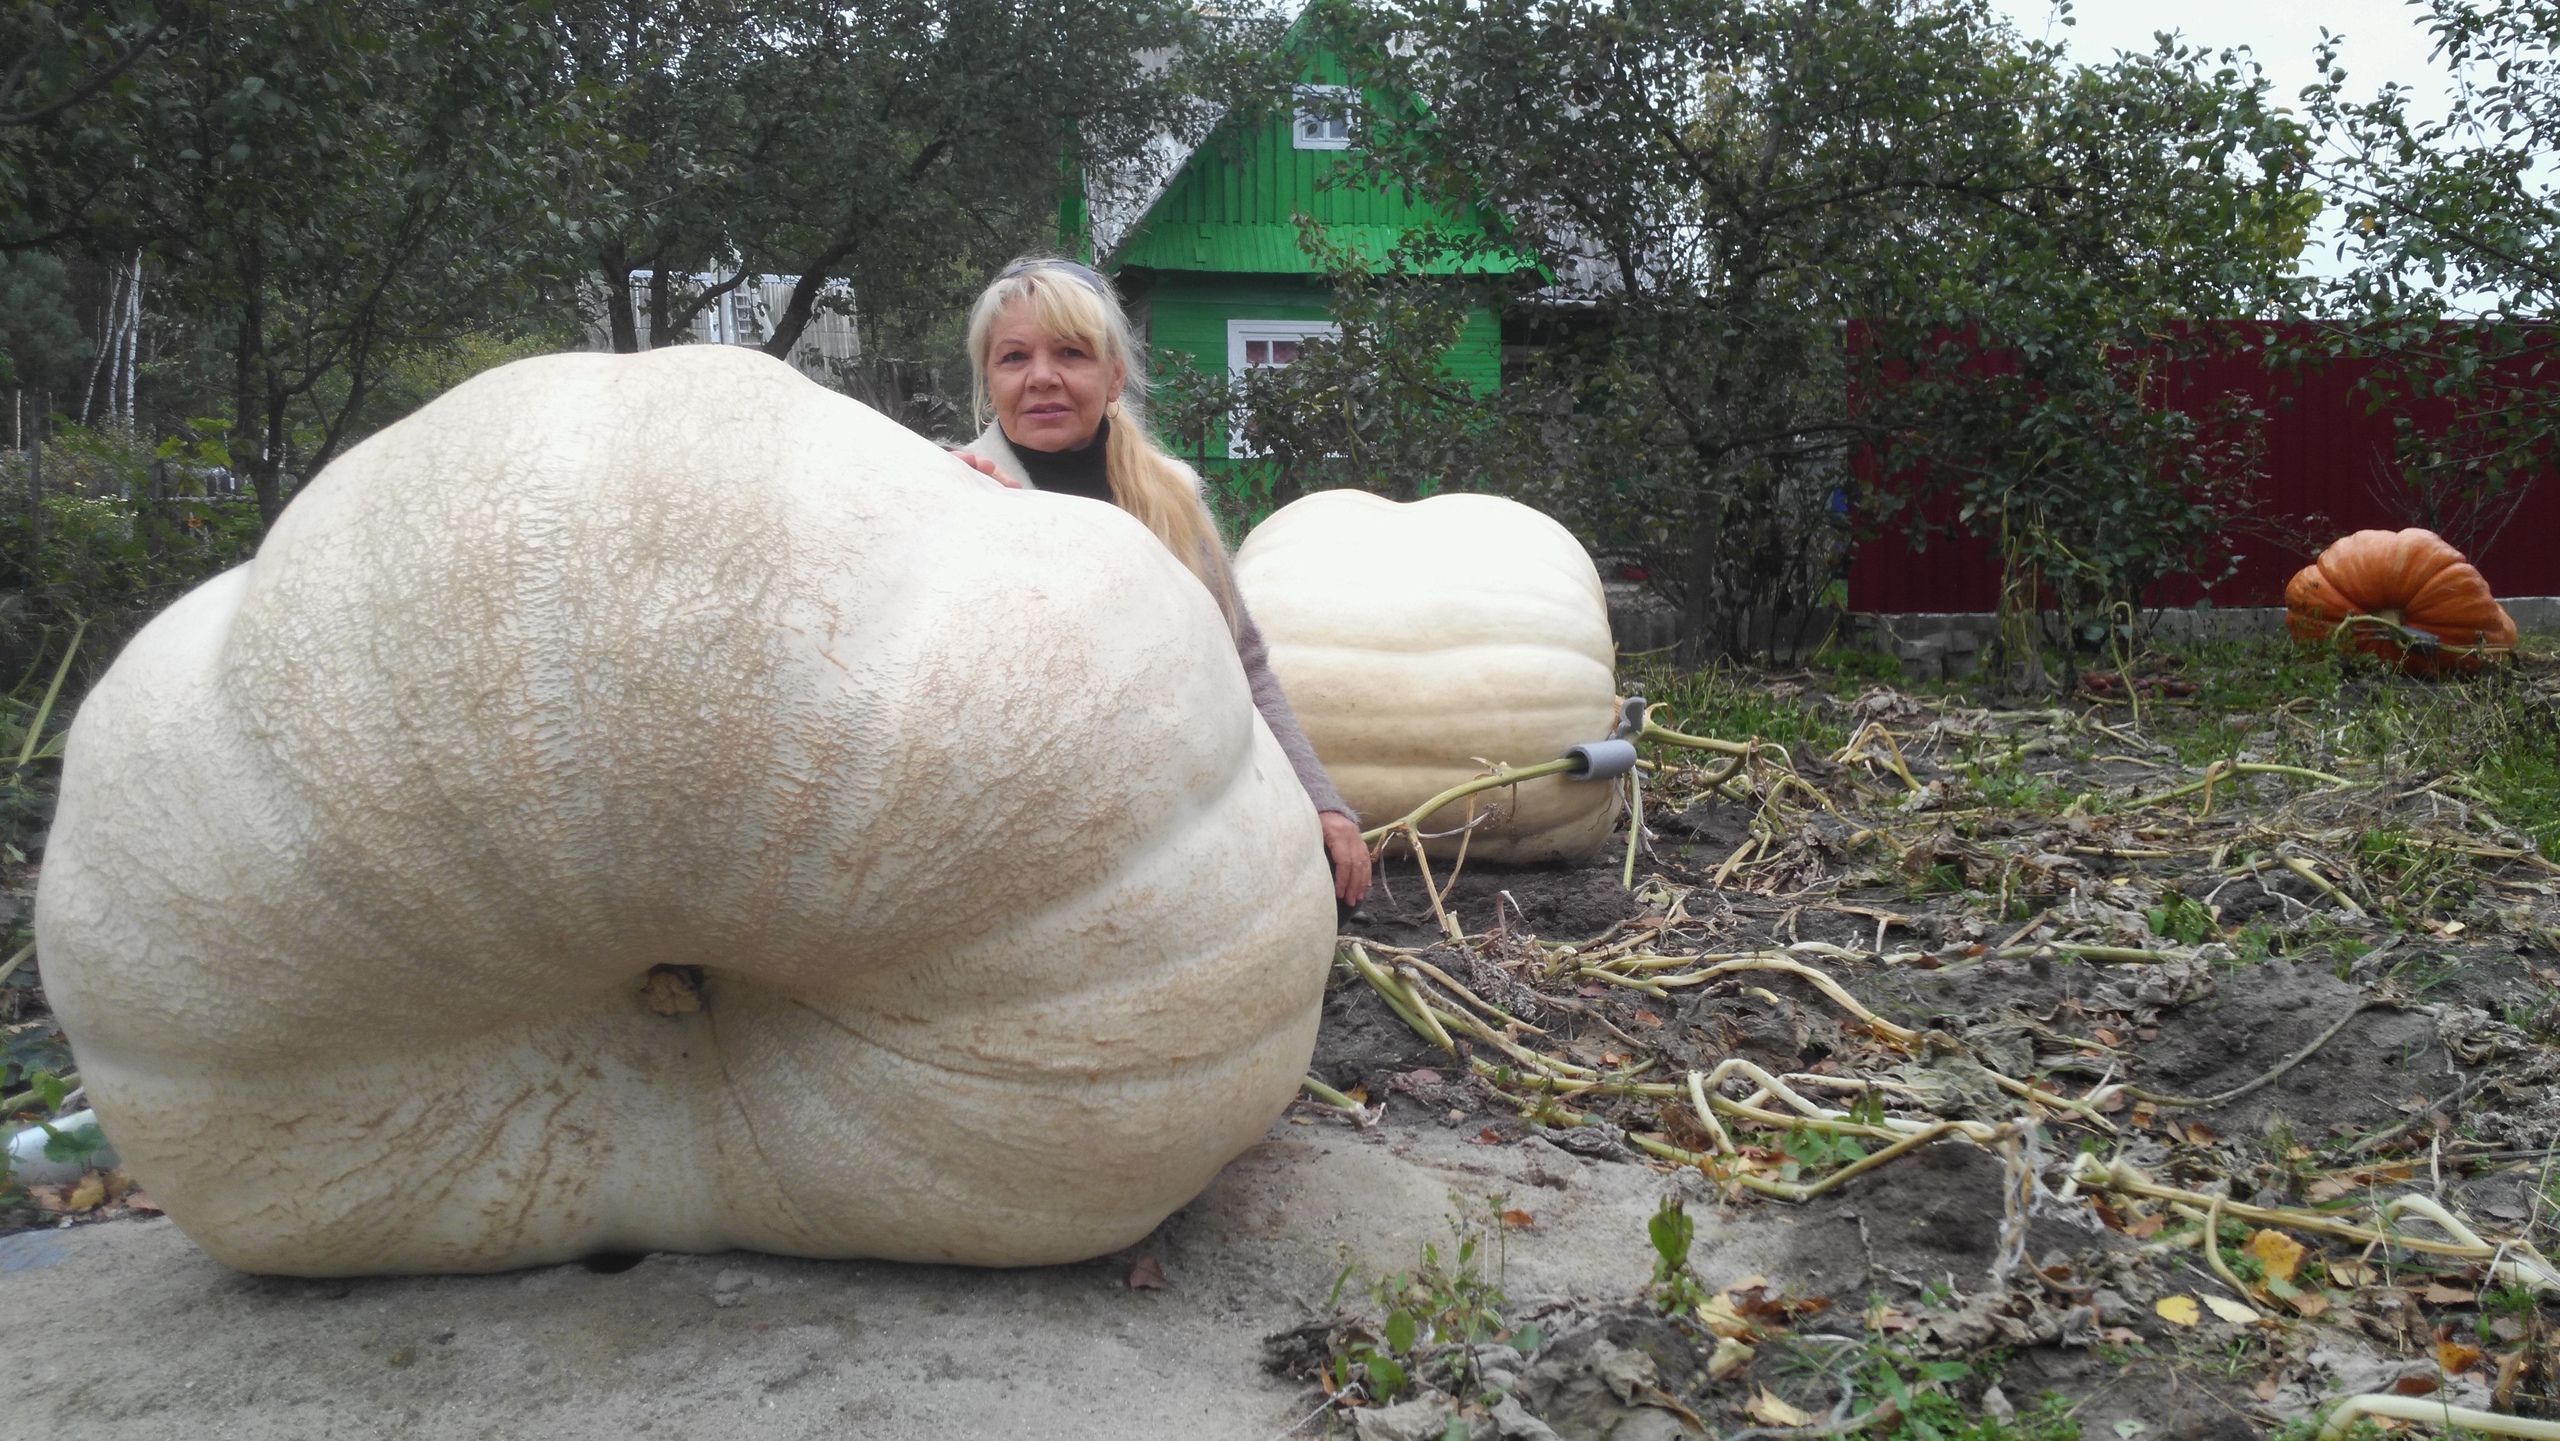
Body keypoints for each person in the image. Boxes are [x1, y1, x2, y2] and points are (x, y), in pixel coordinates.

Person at [946, 257, 1371, 907]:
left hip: (1172, 826)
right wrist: (980, 527)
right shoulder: (947, 499)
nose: (1041, 377)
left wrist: (1321, 802)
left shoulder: (1171, 500)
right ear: (989, 378)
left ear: (1114, 375)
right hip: (1011, 856)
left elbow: (1244, 664)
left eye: (1070, 352)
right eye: (1013, 357)